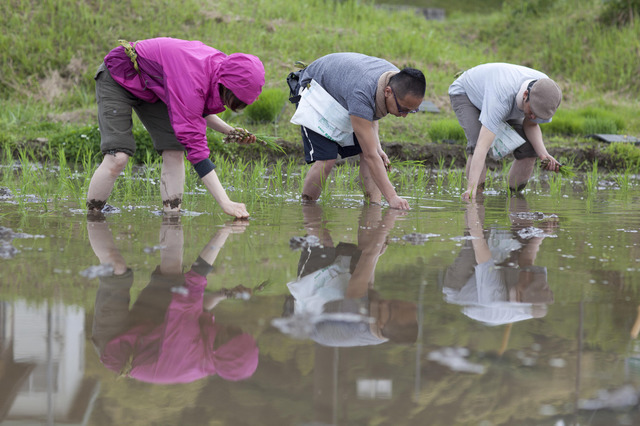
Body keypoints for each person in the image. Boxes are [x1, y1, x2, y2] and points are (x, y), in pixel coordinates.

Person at [87, 37, 266, 218]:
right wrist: (225, 202)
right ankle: (93, 217)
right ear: (226, 87)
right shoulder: (192, 78)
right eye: (237, 102)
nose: (235, 106)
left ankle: (172, 217)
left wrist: (231, 131)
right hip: (120, 75)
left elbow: (194, 108)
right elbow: (195, 145)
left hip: (155, 87)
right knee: (118, 158)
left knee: (174, 150)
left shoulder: (219, 69)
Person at [87, 216, 258, 383]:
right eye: (240, 331)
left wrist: (225, 230)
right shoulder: (212, 350)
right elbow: (197, 311)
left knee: (117, 268)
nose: (233, 327)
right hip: (152, 328)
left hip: (115, 345)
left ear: (224, 349)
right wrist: (226, 294)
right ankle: (171, 212)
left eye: (234, 332)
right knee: (172, 270)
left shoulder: (188, 353)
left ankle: (93, 215)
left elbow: (193, 286)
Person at [289, 53, 426, 210]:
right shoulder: (362, 92)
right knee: (327, 159)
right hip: (316, 89)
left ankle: (373, 207)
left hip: (345, 93)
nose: (404, 115)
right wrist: (393, 197)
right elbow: (370, 154)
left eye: (412, 111)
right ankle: (308, 209)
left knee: (373, 154)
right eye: (403, 109)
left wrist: (378, 147)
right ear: (387, 92)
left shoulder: (396, 80)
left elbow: (373, 112)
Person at [273, 204, 418, 347]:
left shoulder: (356, 319)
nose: (390, 300)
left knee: (323, 240)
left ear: (381, 323)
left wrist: (388, 221)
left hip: (310, 305)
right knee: (365, 251)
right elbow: (367, 286)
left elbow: (367, 260)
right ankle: (372, 197)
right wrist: (377, 251)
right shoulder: (386, 329)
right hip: (339, 297)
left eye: (394, 305)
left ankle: (308, 201)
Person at [448, 62, 563, 200]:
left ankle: (512, 198)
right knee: (476, 142)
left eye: (538, 115)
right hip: (467, 94)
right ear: (526, 95)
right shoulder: (501, 98)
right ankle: (474, 196)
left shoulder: (545, 92)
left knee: (530, 148)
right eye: (532, 111)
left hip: (502, 100)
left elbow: (531, 125)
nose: (533, 117)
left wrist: (544, 154)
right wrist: (471, 188)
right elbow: (482, 147)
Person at [442, 197, 556, 328]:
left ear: (519, 295)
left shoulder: (493, 297)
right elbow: (527, 261)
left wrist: (472, 208)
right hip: (503, 288)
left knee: (477, 239)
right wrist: (541, 234)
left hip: (460, 287)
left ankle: (473, 201)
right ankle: (514, 196)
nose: (529, 274)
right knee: (526, 237)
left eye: (528, 280)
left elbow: (479, 243)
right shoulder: (538, 289)